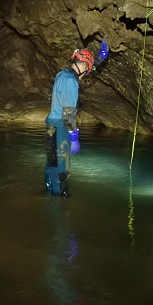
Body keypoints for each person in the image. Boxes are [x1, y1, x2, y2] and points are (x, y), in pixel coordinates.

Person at [44, 38, 109, 196]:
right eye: (86, 70)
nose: (85, 74)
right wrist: (74, 138)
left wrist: (100, 58)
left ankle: (49, 196)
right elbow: (68, 112)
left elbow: (87, 67)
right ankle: (62, 202)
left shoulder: (62, 74)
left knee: (51, 165)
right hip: (61, 129)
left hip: (51, 127)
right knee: (62, 167)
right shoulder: (71, 82)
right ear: (84, 65)